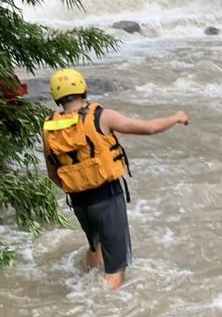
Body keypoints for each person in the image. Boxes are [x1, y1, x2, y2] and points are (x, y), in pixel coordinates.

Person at [42, 68, 189, 291]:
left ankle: (86, 283)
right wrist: (176, 117)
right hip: (107, 197)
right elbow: (149, 128)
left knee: (96, 246)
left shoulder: (49, 128)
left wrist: (77, 187)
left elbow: (53, 173)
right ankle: (102, 304)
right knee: (116, 267)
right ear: (83, 88)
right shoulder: (101, 116)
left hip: (79, 202)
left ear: (56, 96)